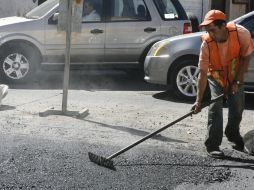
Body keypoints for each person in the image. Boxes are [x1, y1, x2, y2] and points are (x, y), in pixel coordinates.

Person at [192, 10, 253, 158]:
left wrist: (237, 81)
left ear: (223, 25)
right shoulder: (206, 43)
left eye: (213, 30)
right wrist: (198, 100)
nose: (210, 34)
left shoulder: (241, 34)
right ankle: (212, 144)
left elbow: (246, 57)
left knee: (238, 107)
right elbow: (202, 73)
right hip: (216, 76)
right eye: (208, 31)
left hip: (234, 74)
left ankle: (232, 135)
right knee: (215, 107)